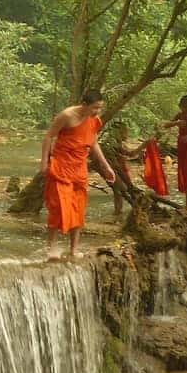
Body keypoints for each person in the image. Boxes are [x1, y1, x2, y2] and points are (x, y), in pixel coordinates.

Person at [41, 90, 119, 260]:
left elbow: (93, 143)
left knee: (79, 209)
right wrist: (44, 163)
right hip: (61, 167)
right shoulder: (67, 116)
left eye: (100, 108)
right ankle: (51, 248)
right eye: (94, 108)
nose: (97, 112)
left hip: (79, 169)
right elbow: (48, 137)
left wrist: (106, 167)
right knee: (58, 207)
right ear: (84, 104)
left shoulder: (94, 120)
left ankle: (73, 249)